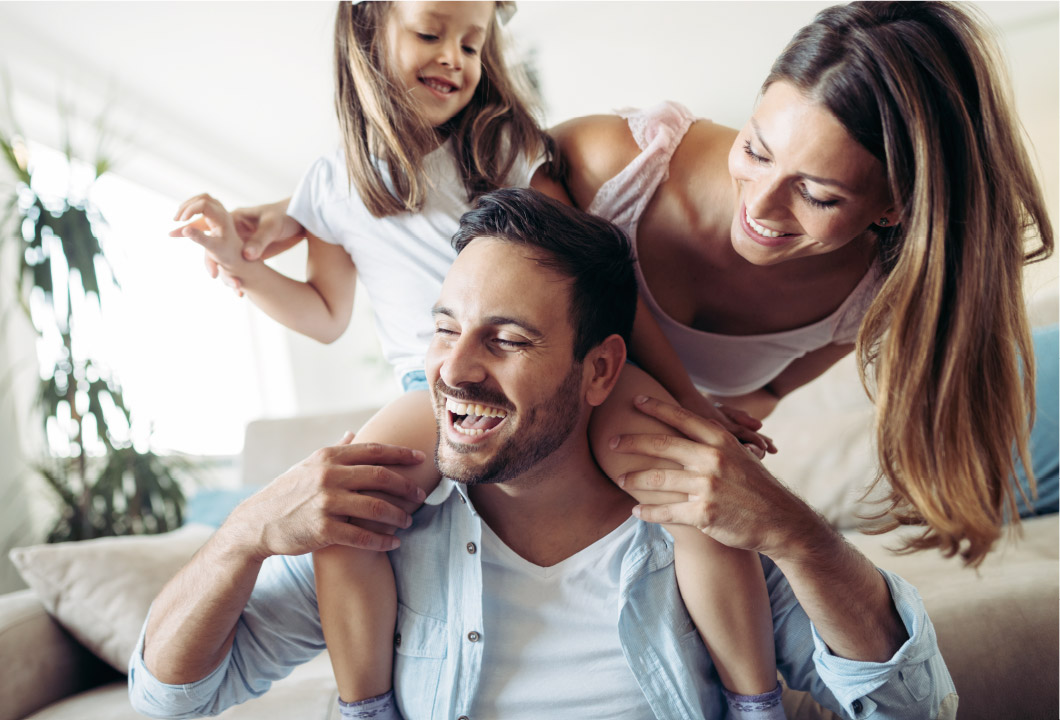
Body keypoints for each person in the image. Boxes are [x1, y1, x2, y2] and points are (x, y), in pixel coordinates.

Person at [131, 188, 957, 719]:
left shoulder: (698, 518)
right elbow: (166, 700)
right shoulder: (381, 519)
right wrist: (243, 533)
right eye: (445, 327)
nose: (452, 371)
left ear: (599, 369)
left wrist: (799, 535)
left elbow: (914, 709)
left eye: (508, 339)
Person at [172, 1, 780, 715]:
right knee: (350, 516)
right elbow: (323, 314)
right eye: (431, 32)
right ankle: (363, 706)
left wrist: (692, 407)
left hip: (553, 360)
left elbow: (594, 290)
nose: (454, 59)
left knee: (690, 498)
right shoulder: (331, 185)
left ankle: (754, 701)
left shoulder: (502, 150)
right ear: (367, 32)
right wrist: (231, 261)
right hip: (427, 389)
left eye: (471, 42)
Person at [549, 0, 1055, 566]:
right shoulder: (609, 168)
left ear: (893, 207)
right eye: (756, 151)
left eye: (817, 195)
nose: (760, 205)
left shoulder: (869, 298)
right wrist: (690, 405)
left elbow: (761, 395)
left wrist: (716, 442)